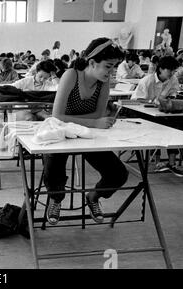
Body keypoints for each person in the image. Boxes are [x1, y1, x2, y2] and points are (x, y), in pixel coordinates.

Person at [43, 37, 128, 225]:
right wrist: (95, 123)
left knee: (118, 174)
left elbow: (98, 114)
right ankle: (56, 199)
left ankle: (93, 197)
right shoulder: (71, 75)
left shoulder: (102, 81)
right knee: (53, 172)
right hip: (62, 133)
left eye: (114, 67)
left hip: (87, 134)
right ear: (92, 62)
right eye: (108, 66)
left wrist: (92, 122)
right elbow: (57, 116)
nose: (112, 72)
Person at [131, 56, 183, 177]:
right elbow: (137, 101)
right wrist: (152, 102)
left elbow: (173, 93)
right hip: (143, 112)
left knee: (175, 125)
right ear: (161, 69)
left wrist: (170, 99)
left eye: (174, 71)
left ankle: (172, 163)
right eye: (170, 70)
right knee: (157, 126)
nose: (172, 73)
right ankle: (157, 161)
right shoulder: (147, 81)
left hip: (161, 112)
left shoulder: (173, 79)